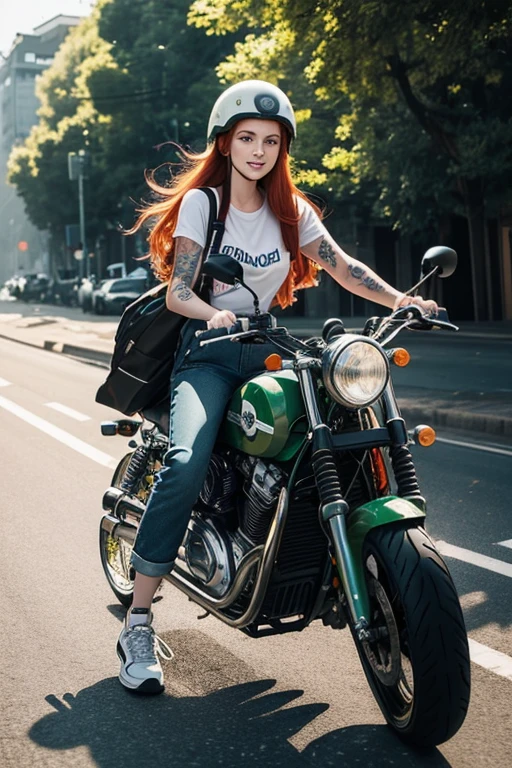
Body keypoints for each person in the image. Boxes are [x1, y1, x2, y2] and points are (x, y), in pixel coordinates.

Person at [116, 79, 437, 694]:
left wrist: (403, 299)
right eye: (247, 138)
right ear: (226, 142)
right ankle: (138, 617)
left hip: (269, 347)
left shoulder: (291, 211)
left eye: (270, 140)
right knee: (186, 461)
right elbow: (180, 291)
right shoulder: (203, 206)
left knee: (335, 426)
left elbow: (343, 265)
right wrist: (214, 314)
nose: (259, 150)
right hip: (208, 352)